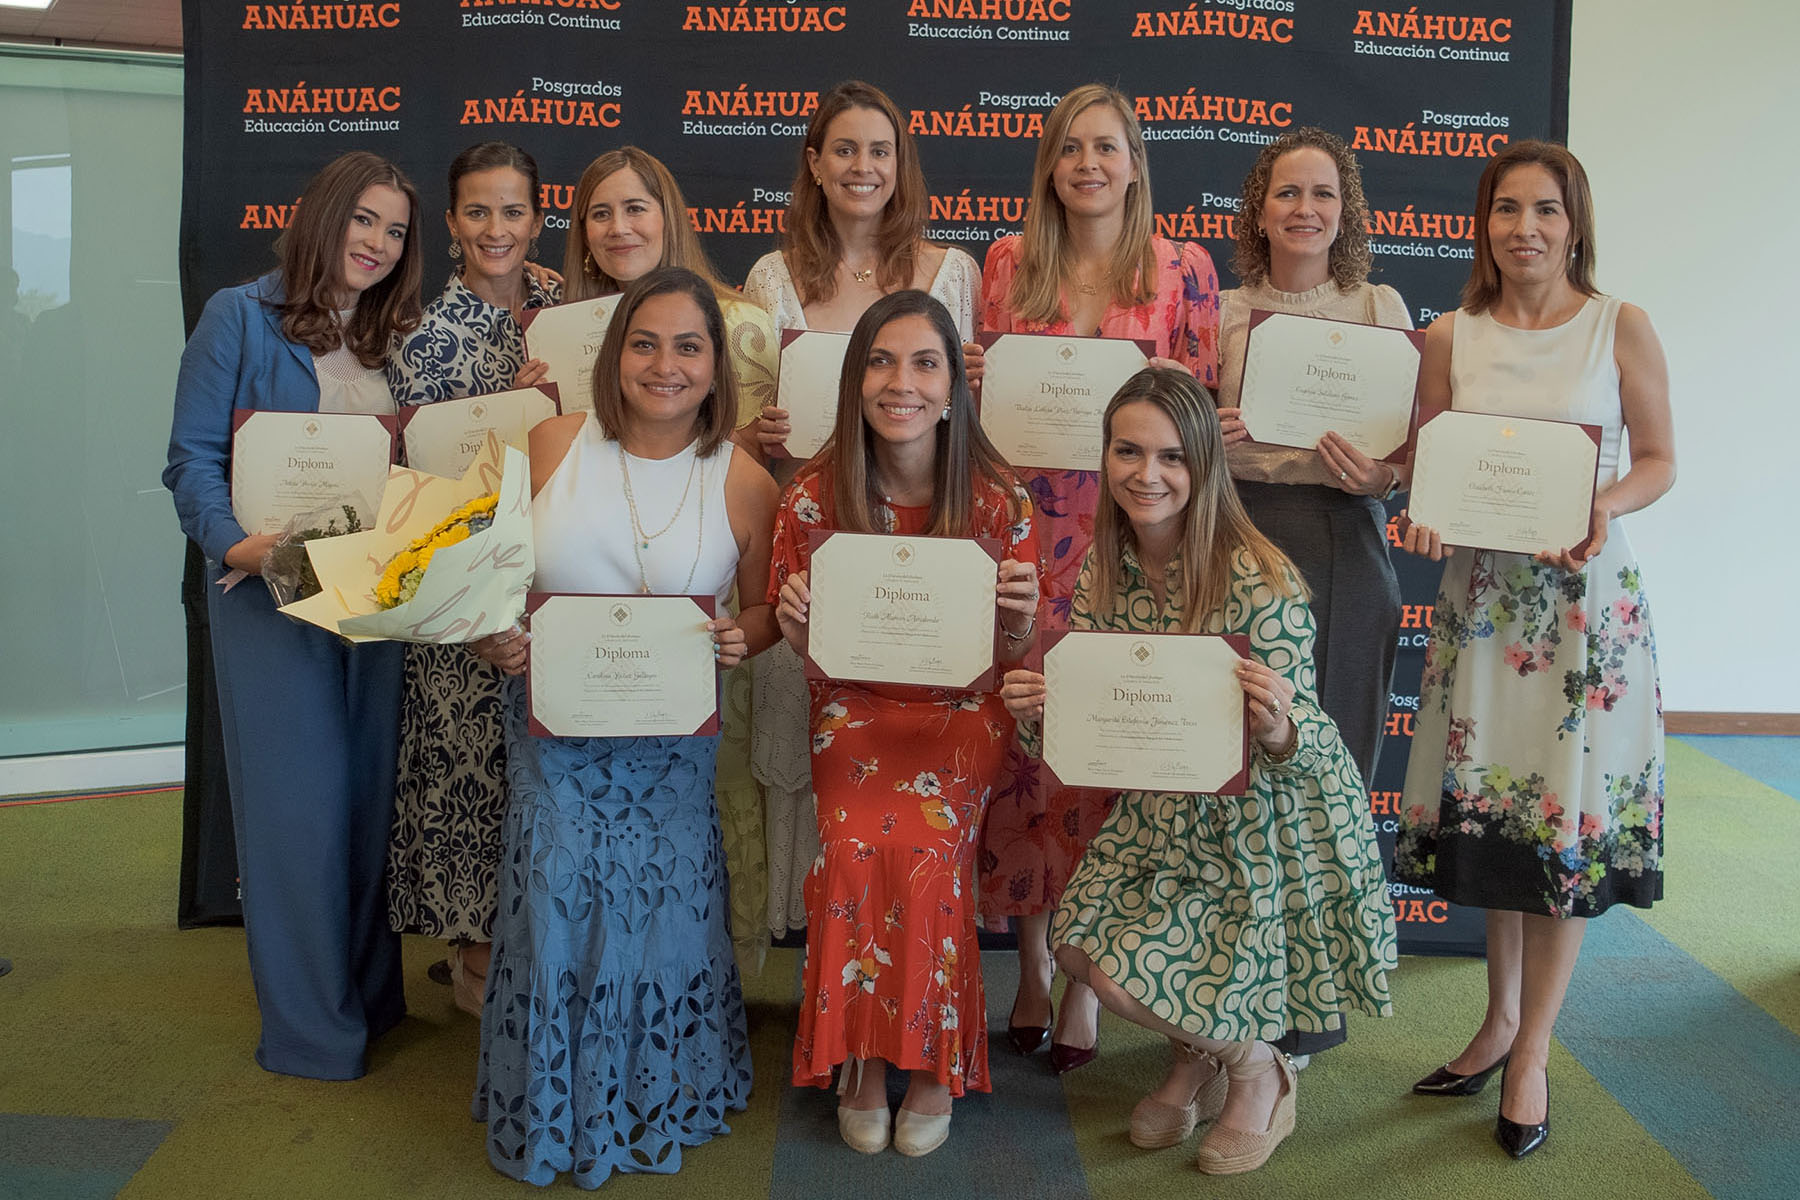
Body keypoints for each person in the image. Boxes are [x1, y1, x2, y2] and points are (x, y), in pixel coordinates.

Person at [1001, 367, 1396, 1175]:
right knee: (1078, 953)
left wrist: (1282, 727)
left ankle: (1259, 1069)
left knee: (1123, 976)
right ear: (1104, 458)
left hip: (1266, 821)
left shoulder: (1260, 577)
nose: (1148, 474)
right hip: (1161, 815)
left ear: (1206, 466)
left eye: (1173, 457)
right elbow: (1093, 739)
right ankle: (1205, 1051)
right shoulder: (1103, 573)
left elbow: (1310, 747)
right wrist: (1040, 708)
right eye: (1129, 451)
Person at [469, 267, 780, 1187]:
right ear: (615, 356)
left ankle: (656, 1094)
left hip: (669, 749)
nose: (665, 364)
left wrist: (737, 639)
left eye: (689, 346)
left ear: (718, 368)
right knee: (563, 892)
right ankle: (560, 1103)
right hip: (553, 738)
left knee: (661, 925)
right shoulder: (555, 442)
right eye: (645, 343)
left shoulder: (747, 482)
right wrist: (493, 637)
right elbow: (489, 578)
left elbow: (763, 616)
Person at [1395, 140, 1674, 1159]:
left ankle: (1532, 1053)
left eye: (1545, 210)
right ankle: (1496, 1021)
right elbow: (1428, 466)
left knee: (1558, 829)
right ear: (1484, 225)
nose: (1525, 230)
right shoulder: (1448, 336)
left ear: (1575, 222)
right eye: (1506, 210)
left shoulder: (1618, 325)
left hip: (1584, 609)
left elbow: (1659, 460)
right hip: (1483, 612)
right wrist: (1422, 513)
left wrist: (1600, 504)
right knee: (1500, 828)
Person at [163, 150, 424, 1079]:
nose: (378, 244)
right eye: (364, 221)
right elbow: (189, 461)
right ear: (323, 215)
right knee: (297, 816)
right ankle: (314, 1034)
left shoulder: (398, 334)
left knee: (364, 808)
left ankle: (366, 998)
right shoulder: (239, 315)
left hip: (374, 603)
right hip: (269, 600)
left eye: (395, 231)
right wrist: (242, 548)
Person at [977, 82, 1221, 1074]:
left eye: (1106, 148)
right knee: (1024, 757)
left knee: (1100, 759)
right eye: (1069, 147)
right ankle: (1032, 965)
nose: (1087, 164)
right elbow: (978, 413)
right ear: (1049, 163)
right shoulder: (1004, 263)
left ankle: (1085, 979)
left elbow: (1195, 418)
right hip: (1023, 539)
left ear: (1134, 162)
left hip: (1133, 544)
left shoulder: (1183, 269)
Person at [770, 290, 1041, 1157]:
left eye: (926, 363)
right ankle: (857, 1056)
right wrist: (796, 622)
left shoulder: (1002, 502)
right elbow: (810, 654)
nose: (903, 383)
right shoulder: (811, 498)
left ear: (955, 385)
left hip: (962, 711)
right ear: (855, 381)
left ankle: (928, 1064)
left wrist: (1024, 618)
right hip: (854, 708)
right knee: (853, 840)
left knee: (927, 846)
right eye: (882, 361)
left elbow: (1016, 652)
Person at [745, 79, 983, 946]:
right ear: (813, 163)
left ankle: (902, 942)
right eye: (843, 148)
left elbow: (960, 421)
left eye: (879, 150)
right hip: (818, 530)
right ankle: (820, 948)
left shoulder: (955, 272)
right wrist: (760, 426)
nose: (861, 166)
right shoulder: (772, 277)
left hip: (925, 547)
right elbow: (743, 419)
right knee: (818, 744)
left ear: (901, 165)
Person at [1214, 128, 1412, 1063]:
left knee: (1330, 776)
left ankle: (1312, 1009)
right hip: (1241, 541)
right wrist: (1206, 431)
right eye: (1286, 192)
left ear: (1346, 207)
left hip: (1344, 541)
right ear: (1259, 208)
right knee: (1245, 780)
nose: (1305, 210)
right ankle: (1232, 994)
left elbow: (1412, 456)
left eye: (1323, 193)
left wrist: (1381, 476)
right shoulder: (1219, 313)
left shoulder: (1380, 305)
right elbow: (1169, 442)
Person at [561, 145, 778, 962]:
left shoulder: (741, 327)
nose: (620, 227)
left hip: (688, 661)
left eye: (636, 207)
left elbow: (757, 588)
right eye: (600, 211)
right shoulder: (551, 352)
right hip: (567, 689)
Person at [385, 141, 558, 1016]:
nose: (498, 229)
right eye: (479, 212)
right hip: (465, 606)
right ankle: (477, 965)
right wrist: (475, 612)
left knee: (549, 779)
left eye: (514, 210)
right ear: (451, 223)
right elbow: (418, 506)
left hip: (564, 591)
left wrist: (557, 403)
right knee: (472, 778)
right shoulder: (421, 341)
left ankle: (540, 951)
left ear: (538, 216)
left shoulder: (568, 312)